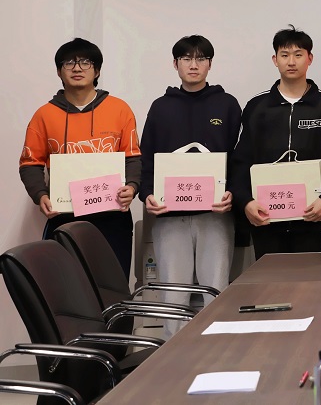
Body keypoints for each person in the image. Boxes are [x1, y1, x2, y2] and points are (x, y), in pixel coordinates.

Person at [138, 35, 241, 337]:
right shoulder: (160, 107)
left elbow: (240, 157)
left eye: (200, 58)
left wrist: (233, 193)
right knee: (173, 296)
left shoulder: (227, 105)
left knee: (216, 292)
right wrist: (147, 194)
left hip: (215, 214)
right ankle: (174, 357)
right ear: (175, 64)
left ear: (210, 64)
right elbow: (146, 158)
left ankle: (217, 352)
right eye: (186, 59)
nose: (193, 65)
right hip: (169, 216)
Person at [19, 38, 139, 276]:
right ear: (59, 71)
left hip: (112, 217)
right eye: (69, 63)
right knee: (66, 286)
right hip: (64, 217)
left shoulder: (120, 109)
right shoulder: (44, 115)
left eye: (85, 62)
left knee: (112, 286)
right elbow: (30, 163)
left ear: (97, 71)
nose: (77, 68)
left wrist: (133, 186)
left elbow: (133, 157)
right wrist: (40, 195)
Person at [230, 26, 321, 259]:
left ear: (310, 58)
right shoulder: (257, 107)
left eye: (298, 54)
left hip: (311, 216)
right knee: (270, 280)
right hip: (266, 217)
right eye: (284, 55)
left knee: (309, 278)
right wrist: (246, 202)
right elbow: (241, 161)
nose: (291, 61)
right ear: (275, 60)